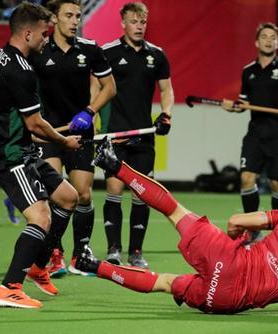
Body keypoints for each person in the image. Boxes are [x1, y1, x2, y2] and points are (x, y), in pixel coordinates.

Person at [75, 139, 278, 314]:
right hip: (227, 300)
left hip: (227, 256)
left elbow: (236, 221)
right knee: (165, 282)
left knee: (173, 209)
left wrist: (236, 236)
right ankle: (94, 266)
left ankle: (114, 164)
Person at [0, 2, 81, 308]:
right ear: (28, 33)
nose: (47, 39)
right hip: (11, 155)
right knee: (41, 217)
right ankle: (8, 287)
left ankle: (38, 266)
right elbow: (35, 124)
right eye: (44, 34)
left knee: (69, 198)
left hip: (21, 149)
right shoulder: (21, 71)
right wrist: (64, 141)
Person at [30, 0, 116, 277]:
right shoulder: (39, 50)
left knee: (83, 194)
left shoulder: (90, 49)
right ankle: (55, 253)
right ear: (54, 18)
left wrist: (89, 112)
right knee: (57, 196)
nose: (75, 20)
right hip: (47, 133)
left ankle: (82, 252)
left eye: (78, 15)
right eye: (69, 15)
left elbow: (109, 88)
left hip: (80, 131)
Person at [97, 2, 174, 268]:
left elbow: (166, 90)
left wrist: (166, 115)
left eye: (142, 22)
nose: (139, 26)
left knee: (141, 193)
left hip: (143, 135)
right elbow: (94, 87)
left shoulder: (157, 55)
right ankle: (113, 249)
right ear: (123, 23)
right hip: (114, 135)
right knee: (114, 187)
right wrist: (94, 119)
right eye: (133, 21)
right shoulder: (107, 52)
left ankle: (136, 252)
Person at [221, 22, 278, 240]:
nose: (269, 40)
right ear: (256, 42)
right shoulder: (248, 71)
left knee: (276, 183)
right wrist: (233, 107)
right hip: (255, 134)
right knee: (246, 179)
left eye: (273, 37)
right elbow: (243, 104)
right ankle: (252, 229)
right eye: (265, 36)